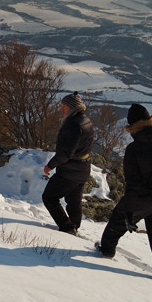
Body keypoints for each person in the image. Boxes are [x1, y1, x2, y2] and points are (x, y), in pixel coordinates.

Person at [96, 104, 152, 285]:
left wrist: (129, 212)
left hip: (144, 199)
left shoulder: (133, 149)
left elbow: (132, 185)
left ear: (132, 127)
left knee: (118, 219)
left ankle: (106, 250)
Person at [42, 91, 94, 235]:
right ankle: (74, 226)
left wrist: (50, 165)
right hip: (83, 169)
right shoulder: (86, 120)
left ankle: (67, 227)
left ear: (70, 107)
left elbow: (65, 153)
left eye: (63, 105)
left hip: (70, 170)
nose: (61, 108)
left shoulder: (72, 125)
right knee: (73, 201)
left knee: (49, 197)